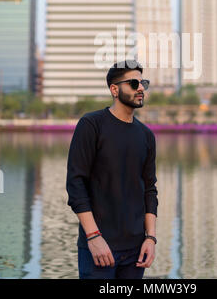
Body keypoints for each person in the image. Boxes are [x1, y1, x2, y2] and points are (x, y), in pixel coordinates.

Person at [66, 59, 158, 279]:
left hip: (136, 251)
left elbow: (149, 190)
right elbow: (76, 185)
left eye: (143, 82)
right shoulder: (91, 125)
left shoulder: (146, 135)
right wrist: (93, 236)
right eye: (134, 83)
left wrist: (151, 238)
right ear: (114, 90)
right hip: (99, 247)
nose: (141, 88)